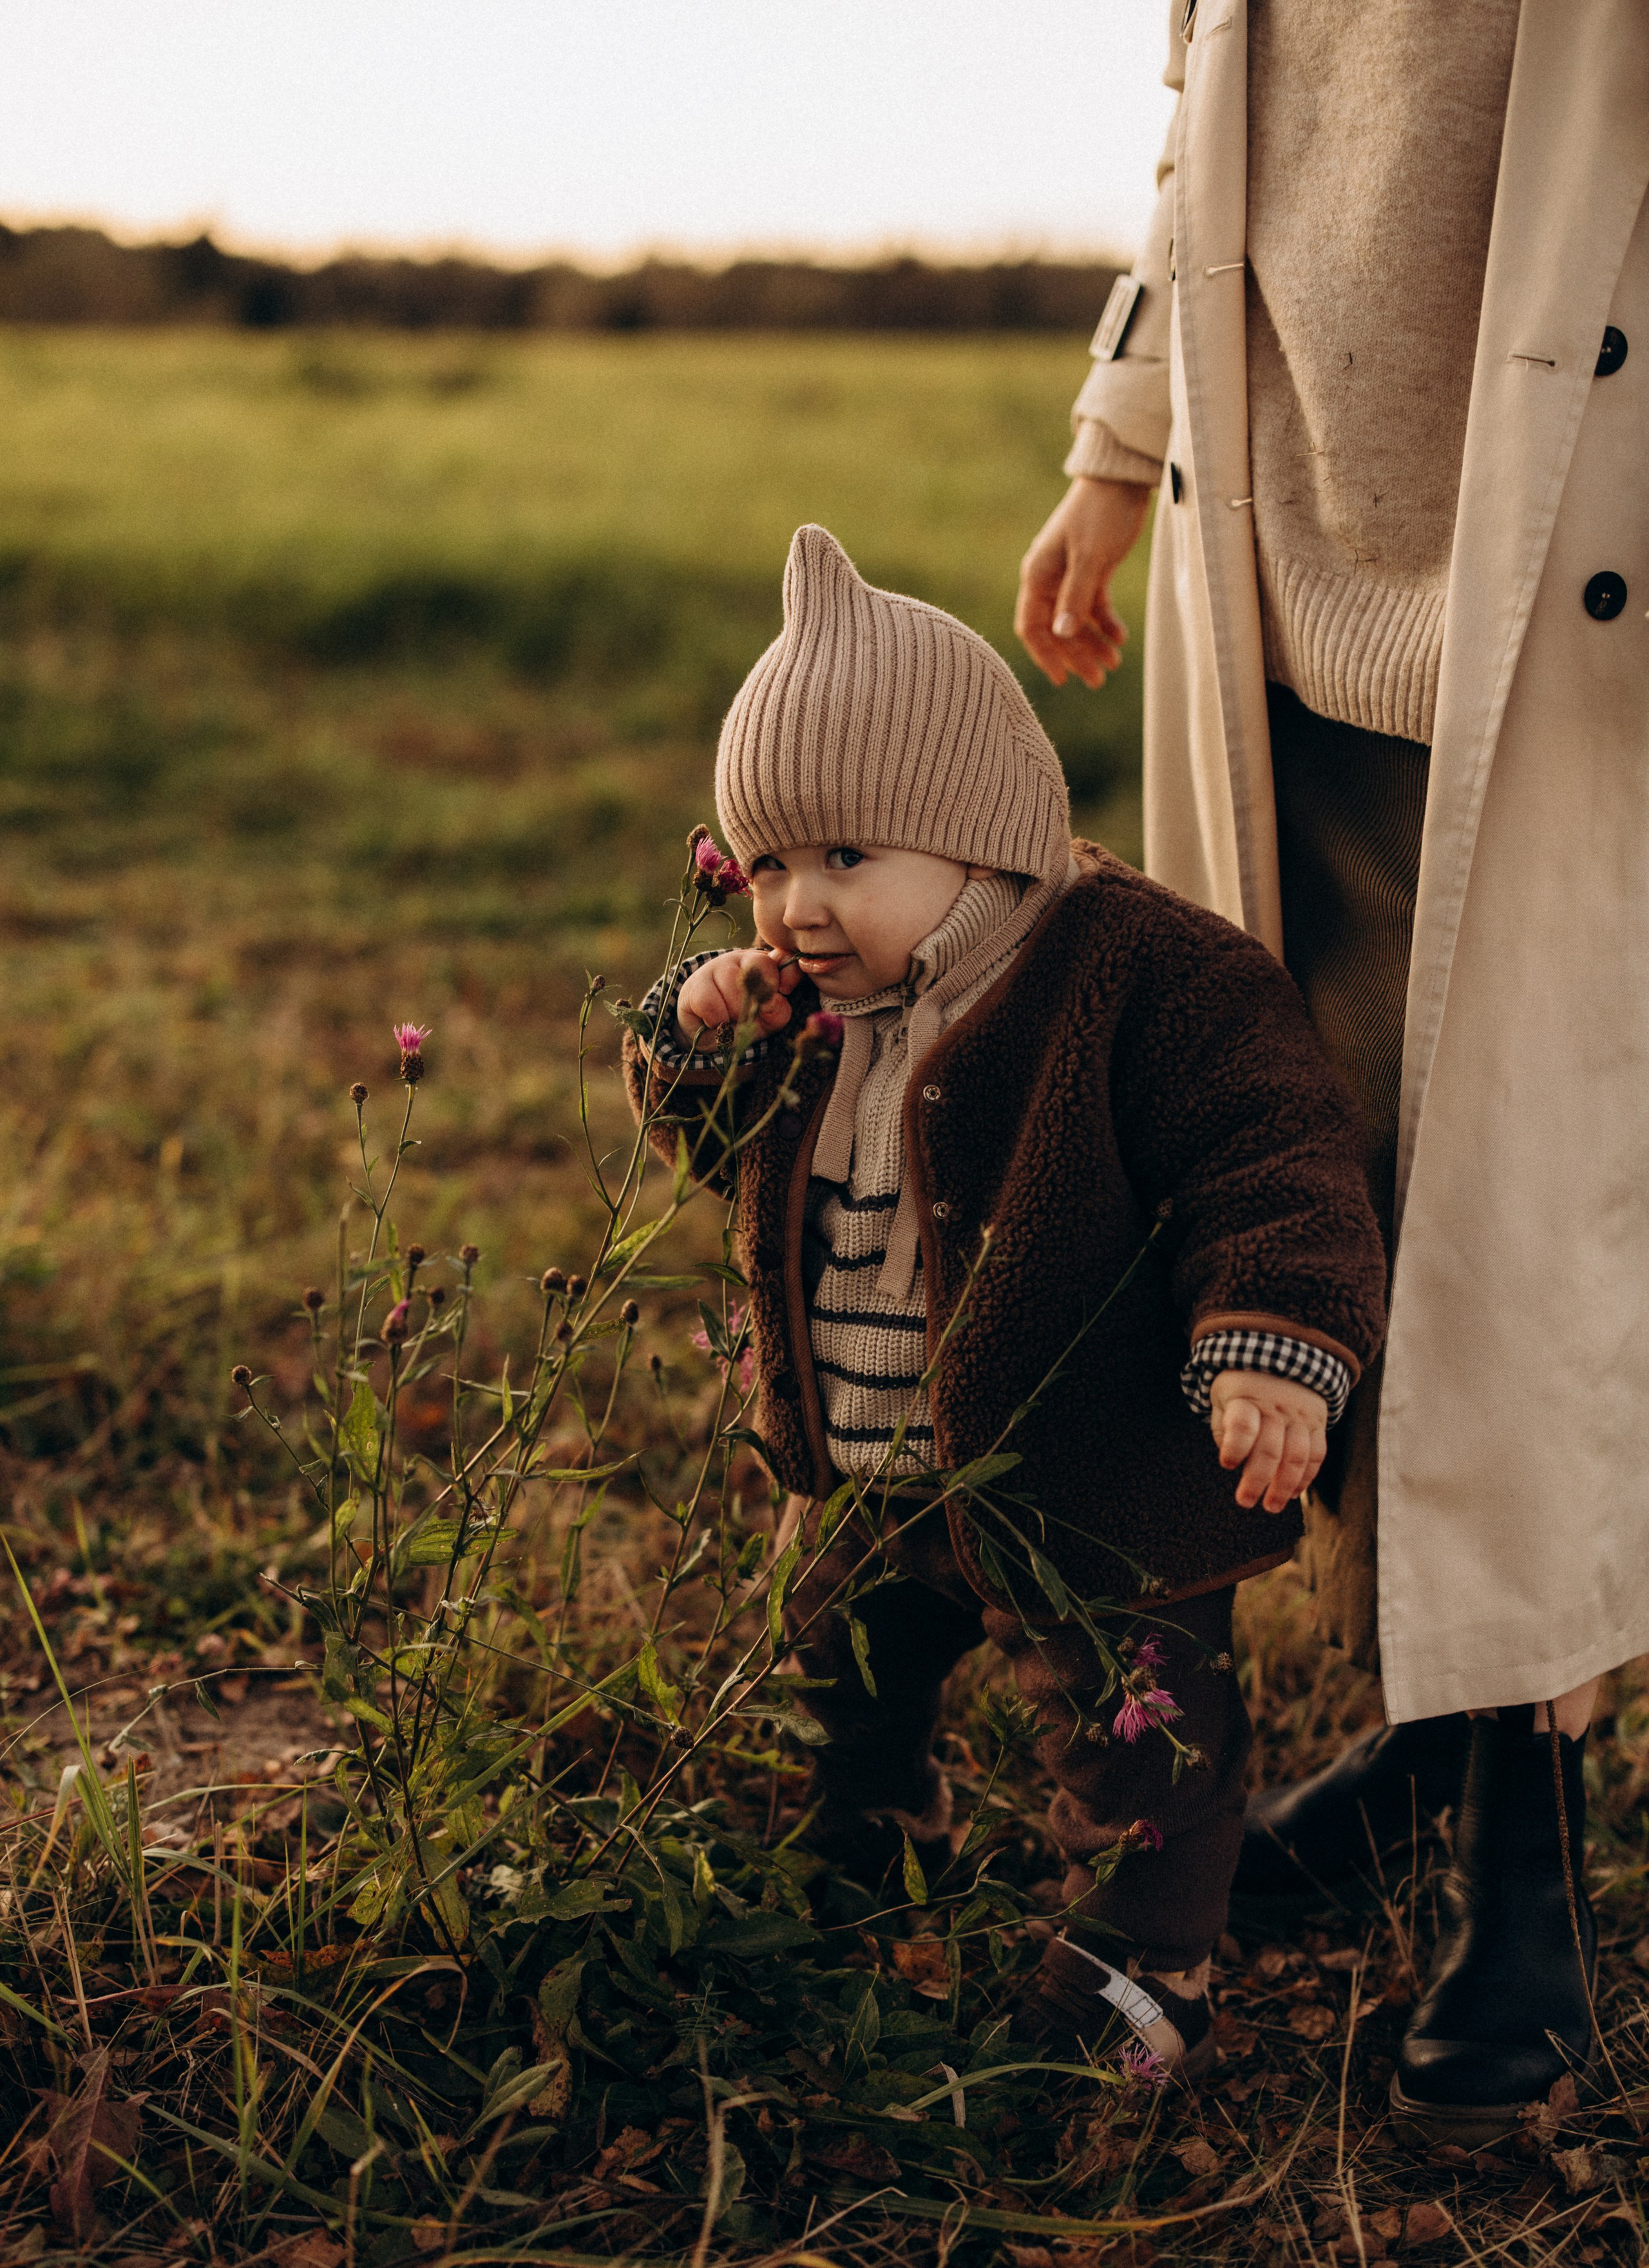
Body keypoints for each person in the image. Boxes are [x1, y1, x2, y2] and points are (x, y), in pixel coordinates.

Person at [1015, 0, 1648, 2145]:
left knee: (1515, 1224)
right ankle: (1430, 1725)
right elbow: (1207, 149)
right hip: (1267, 592)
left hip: (1562, 616)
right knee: (1318, 1196)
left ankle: (1525, 1839)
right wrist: (1115, 455)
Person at [625, 523, 1386, 2081]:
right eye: (767, 864)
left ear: (977, 835)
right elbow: (723, 1160)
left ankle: (1145, 1957)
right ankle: (865, 1846)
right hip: (860, 1464)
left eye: (845, 859)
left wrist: (1271, 1355)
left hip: (1087, 1472)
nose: (796, 908)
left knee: (1137, 1724)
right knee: (834, 1663)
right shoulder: (813, 1006)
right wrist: (699, 1047)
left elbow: (1269, 1158)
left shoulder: (1142, 975)